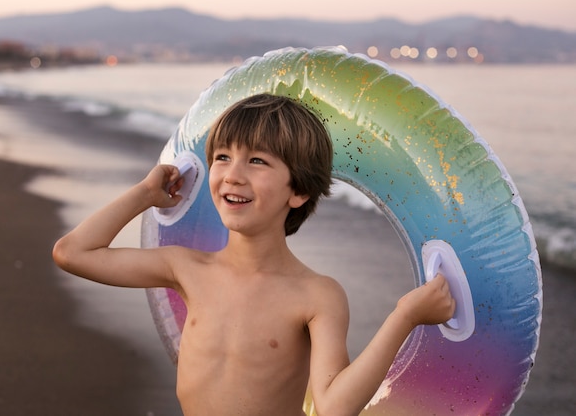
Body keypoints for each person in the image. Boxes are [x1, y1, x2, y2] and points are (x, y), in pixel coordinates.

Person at [53, 94, 455, 416]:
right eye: (222, 157)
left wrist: (406, 316)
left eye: (257, 161)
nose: (232, 174)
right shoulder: (185, 267)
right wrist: (145, 193)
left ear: (298, 191)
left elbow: (333, 406)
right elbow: (73, 253)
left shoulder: (317, 295)